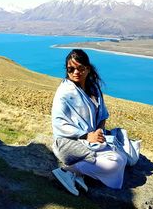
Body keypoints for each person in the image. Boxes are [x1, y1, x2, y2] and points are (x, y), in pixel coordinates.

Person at [51, 49, 127, 196]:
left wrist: (99, 130)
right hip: (69, 142)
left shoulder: (94, 89)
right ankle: (66, 172)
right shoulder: (65, 92)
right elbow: (59, 123)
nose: (75, 72)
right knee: (114, 161)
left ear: (88, 68)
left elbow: (102, 116)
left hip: (92, 139)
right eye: (70, 69)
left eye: (80, 68)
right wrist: (87, 135)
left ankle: (79, 175)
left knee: (123, 157)